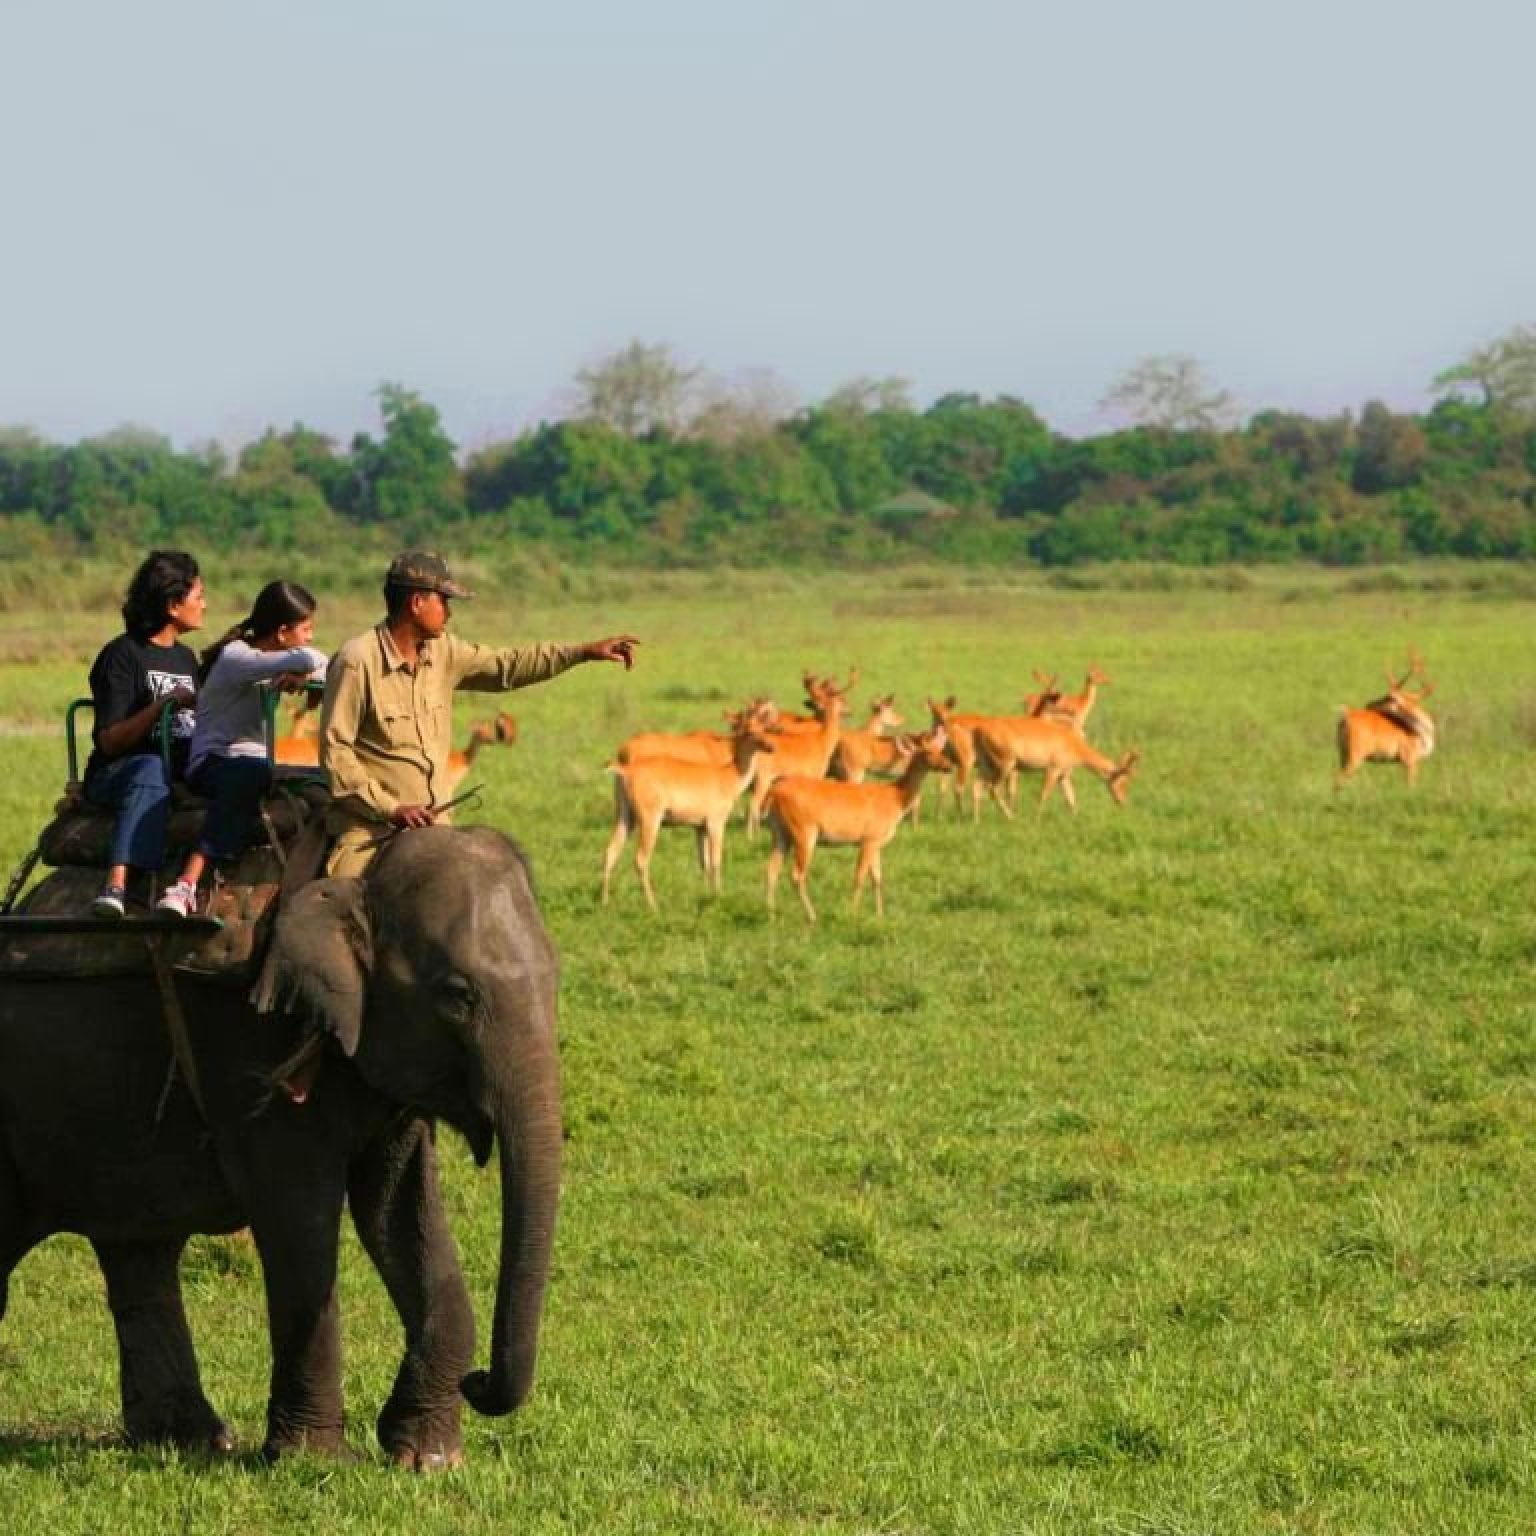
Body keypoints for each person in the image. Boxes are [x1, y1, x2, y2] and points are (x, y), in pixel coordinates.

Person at [320, 550, 638, 877]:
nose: (449, 613)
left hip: (435, 828)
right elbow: (336, 753)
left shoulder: (444, 651)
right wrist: (392, 808)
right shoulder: (357, 662)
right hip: (372, 831)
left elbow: (507, 666)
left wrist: (582, 653)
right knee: (344, 898)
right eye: (444, 601)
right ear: (417, 603)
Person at [155, 581, 330, 917]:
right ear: (282, 633)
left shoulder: (272, 660)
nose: (310, 636)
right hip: (215, 762)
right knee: (251, 773)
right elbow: (313, 656)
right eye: (305, 629)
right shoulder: (238, 657)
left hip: (257, 763)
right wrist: (303, 667)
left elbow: (327, 665)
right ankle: (188, 882)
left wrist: (303, 674)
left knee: (324, 781)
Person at [83, 550, 206, 918]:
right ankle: (117, 885)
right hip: (121, 772)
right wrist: (162, 706)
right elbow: (109, 741)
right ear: (172, 605)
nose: (205, 605)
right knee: (151, 768)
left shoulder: (187, 659)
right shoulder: (122, 655)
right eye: (199, 596)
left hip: (176, 768)